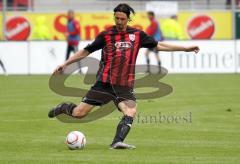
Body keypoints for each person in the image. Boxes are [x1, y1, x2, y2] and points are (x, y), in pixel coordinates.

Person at [48, 3, 199, 149]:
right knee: (79, 114)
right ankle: (63, 107)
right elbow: (85, 51)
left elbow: (159, 45)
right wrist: (65, 63)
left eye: (122, 19)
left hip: (125, 85)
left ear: (128, 19)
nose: (119, 22)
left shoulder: (137, 35)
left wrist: (185, 48)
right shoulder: (106, 35)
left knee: (131, 111)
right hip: (104, 83)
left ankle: (117, 142)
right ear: (114, 17)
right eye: (117, 18)